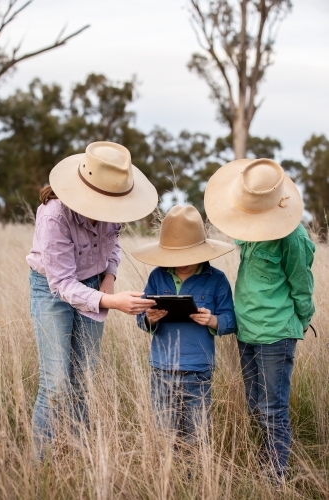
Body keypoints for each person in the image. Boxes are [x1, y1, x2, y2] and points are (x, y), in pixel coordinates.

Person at [26, 141, 158, 459]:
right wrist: (110, 302)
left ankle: (80, 458)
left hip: (95, 284)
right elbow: (62, 284)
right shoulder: (54, 215)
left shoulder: (114, 210)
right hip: (54, 290)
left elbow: (112, 246)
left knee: (84, 377)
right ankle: (38, 467)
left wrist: (109, 279)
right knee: (56, 383)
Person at [204, 157, 316, 479]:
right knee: (254, 405)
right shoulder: (247, 223)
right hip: (247, 328)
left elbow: (301, 285)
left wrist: (300, 320)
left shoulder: (292, 236)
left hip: (276, 332)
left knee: (272, 409)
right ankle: (261, 465)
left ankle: (276, 477)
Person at [131, 205, 236, 448]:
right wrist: (150, 318)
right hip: (161, 369)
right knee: (165, 438)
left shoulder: (216, 279)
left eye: (187, 256)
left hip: (198, 371)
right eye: (175, 256)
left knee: (197, 437)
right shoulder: (158, 276)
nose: (182, 263)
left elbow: (230, 320)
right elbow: (141, 318)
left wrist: (212, 320)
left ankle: (196, 481)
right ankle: (169, 482)